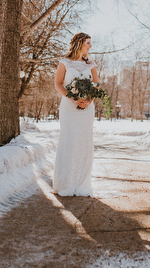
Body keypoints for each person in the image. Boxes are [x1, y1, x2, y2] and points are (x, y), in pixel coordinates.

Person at [53, 32, 99, 196]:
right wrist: (74, 98)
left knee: (84, 142)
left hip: (86, 108)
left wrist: (89, 100)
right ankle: (66, 184)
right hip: (69, 107)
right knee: (70, 141)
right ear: (79, 43)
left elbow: (96, 85)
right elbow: (58, 84)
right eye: (88, 43)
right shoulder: (64, 63)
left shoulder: (91, 64)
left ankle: (82, 185)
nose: (90, 46)